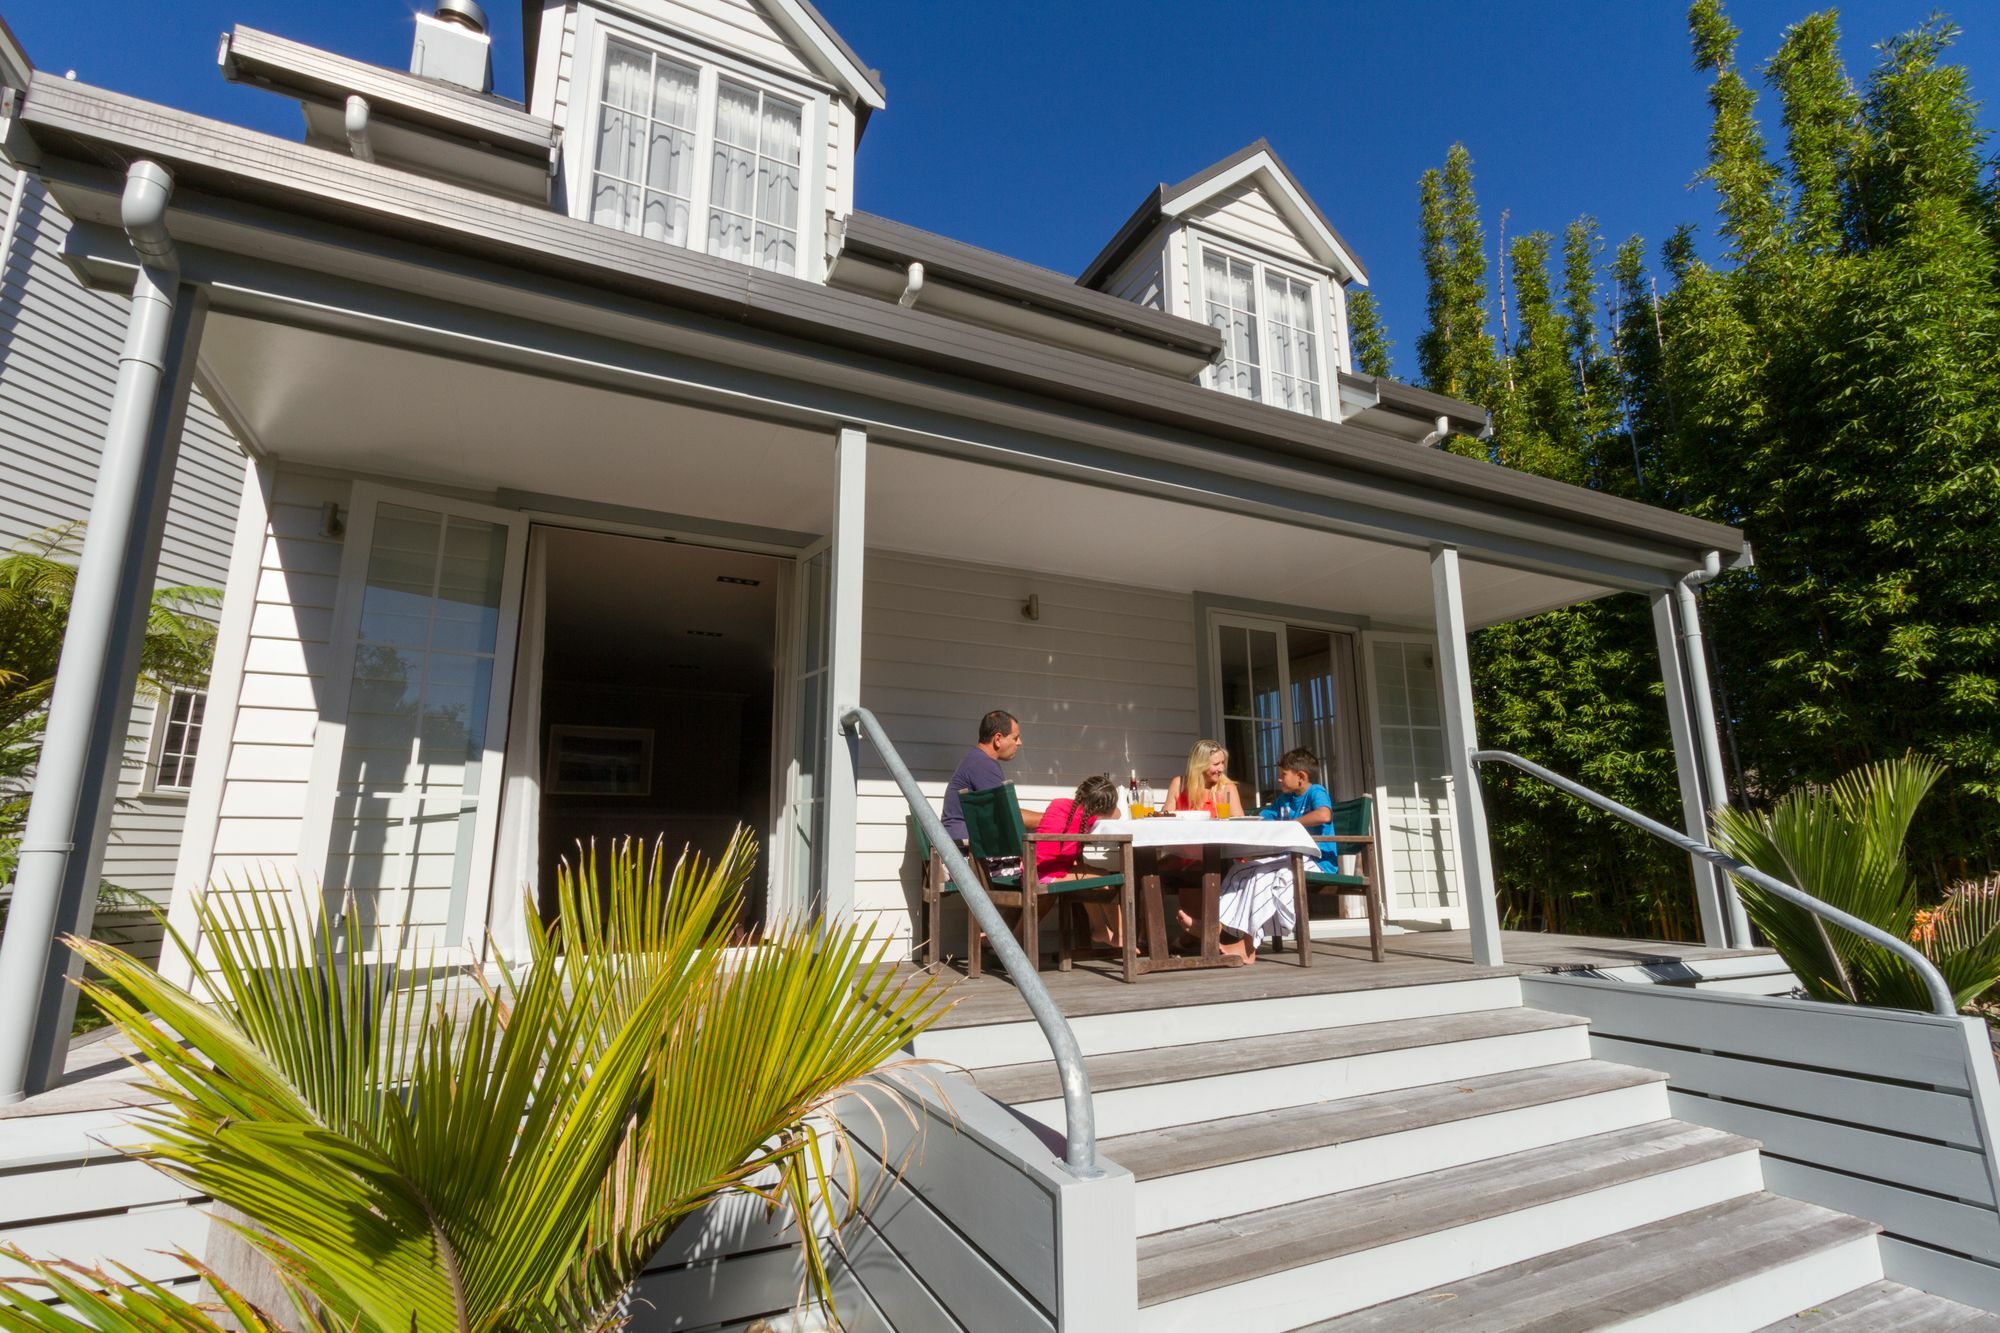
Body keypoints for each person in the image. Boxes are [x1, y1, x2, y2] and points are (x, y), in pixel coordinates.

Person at [1203, 747, 1337, 964]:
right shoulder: (1283, 800)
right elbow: (1261, 819)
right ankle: (1214, 926)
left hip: (1317, 861)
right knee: (1241, 869)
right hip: (1289, 858)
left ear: (1301, 777)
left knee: (1266, 876)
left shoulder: (1316, 792)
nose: (1279, 778)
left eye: (1284, 774)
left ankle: (1247, 945)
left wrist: (1290, 825)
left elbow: (1324, 814)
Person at [1030, 774, 1124, 946]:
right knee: (1104, 879)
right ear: (1101, 808)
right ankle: (1121, 935)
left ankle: (1102, 931)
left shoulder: (1059, 804)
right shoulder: (1088, 818)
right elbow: (1117, 814)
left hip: (1033, 868)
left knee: (1099, 874)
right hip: (1044, 875)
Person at [939, 708, 1041, 862]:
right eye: (1016, 737)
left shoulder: (976, 760)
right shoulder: (982, 764)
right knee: (1050, 872)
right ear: (998, 739)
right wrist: (1054, 819)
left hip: (964, 852)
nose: (1019, 743)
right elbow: (1009, 816)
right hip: (968, 858)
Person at [1164, 739, 1243, 817]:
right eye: (1216, 764)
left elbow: (1239, 823)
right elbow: (1164, 819)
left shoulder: (1227, 788)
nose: (1222, 768)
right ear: (1200, 765)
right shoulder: (1179, 784)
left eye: (1223, 763)